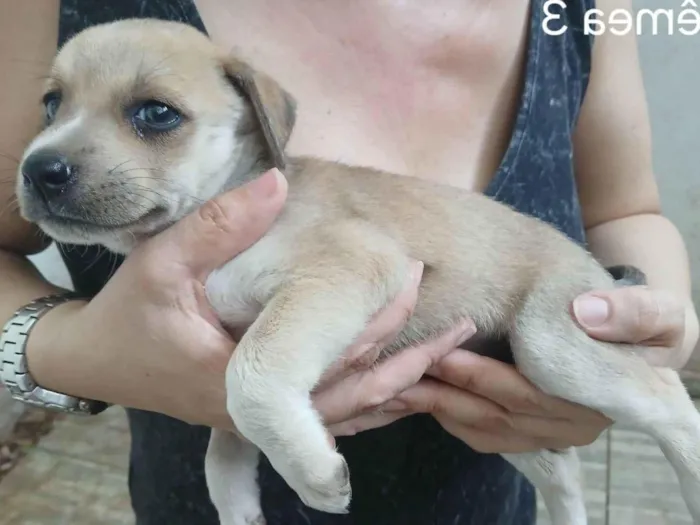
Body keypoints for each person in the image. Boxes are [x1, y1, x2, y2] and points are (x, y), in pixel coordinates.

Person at [1, 0, 697, 523]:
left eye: (153, 115)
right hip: (176, 501)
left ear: (259, 124)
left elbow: (625, 210)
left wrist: (656, 321)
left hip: (501, 389)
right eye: (54, 102)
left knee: (558, 362)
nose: (53, 152)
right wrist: (62, 347)